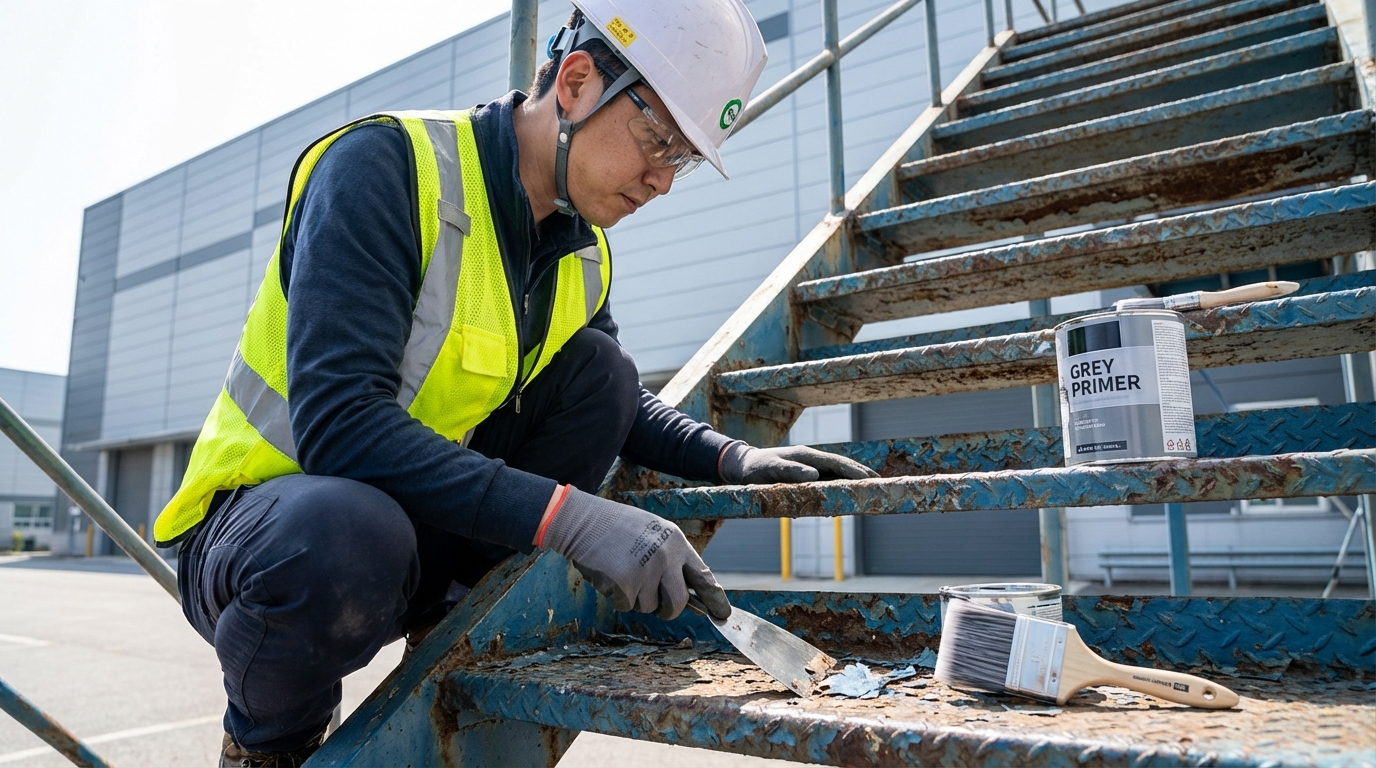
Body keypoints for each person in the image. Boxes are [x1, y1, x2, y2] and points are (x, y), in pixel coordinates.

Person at [153, 2, 877, 765]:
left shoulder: (580, 250)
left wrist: (732, 458)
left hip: (405, 528)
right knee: (346, 531)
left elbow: (619, 403)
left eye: (684, 158)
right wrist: (575, 520)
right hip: (268, 530)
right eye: (657, 140)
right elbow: (342, 425)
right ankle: (267, 745)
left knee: (602, 370)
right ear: (575, 81)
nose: (663, 180)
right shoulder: (386, 169)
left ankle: (458, 626)